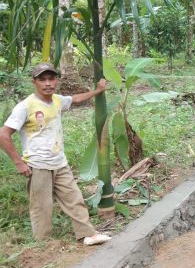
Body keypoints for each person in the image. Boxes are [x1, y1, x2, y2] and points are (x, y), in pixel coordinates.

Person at [0, 63, 112, 245]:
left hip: (60, 162)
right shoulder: (25, 106)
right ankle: (43, 243)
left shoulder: (57, 100)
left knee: (74, 198)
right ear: (34, 82)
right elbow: (3, 134)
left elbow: (75, 99)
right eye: (42, 79)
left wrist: (98, 90)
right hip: (37, 165)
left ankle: (87, 234)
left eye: (51, 78)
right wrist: (18, 162)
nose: (47, 83)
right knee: (42, 207)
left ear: (56, 80)